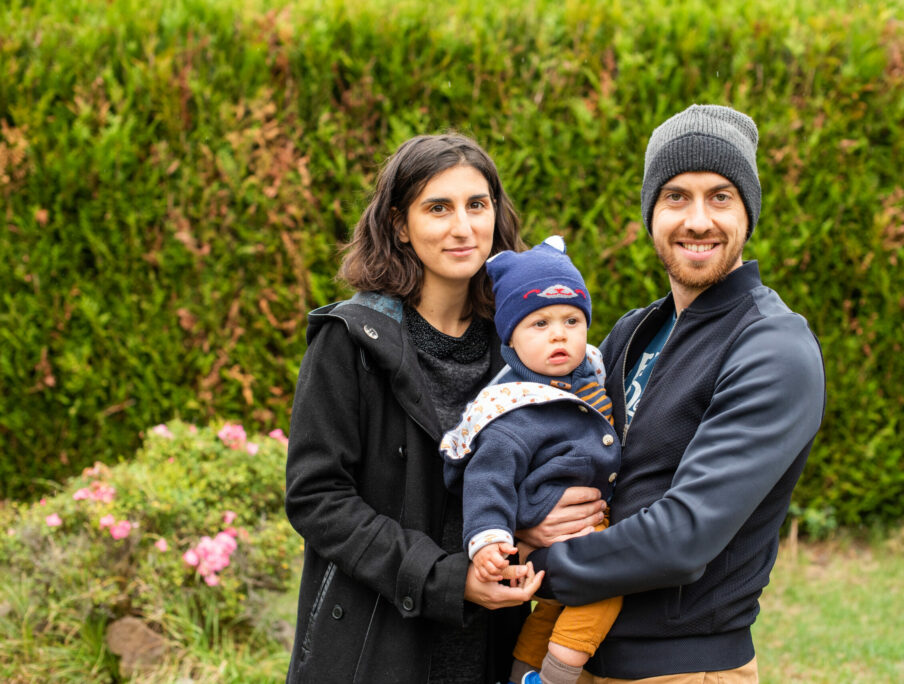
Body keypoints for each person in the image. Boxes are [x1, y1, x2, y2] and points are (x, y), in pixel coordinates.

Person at [521, 104, 827, 682]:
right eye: (676, 197)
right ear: (651, 213)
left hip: (682, 667)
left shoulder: (773, 348)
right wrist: (525, 519)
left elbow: (684, 538)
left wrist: (533, 564)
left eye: (720, 197)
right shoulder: (632, 332)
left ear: (748, 213)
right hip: (579, 651)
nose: (698, 220)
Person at [284, 134, 601, 683]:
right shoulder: (349, 342)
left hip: (491, 645)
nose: (463, 227)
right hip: (373, 648)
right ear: (399, 225)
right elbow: (317, 499)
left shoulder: (523, 349)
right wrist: (444, 577)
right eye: (438, 208)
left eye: (477, 205)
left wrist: (533, 524)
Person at [440, 237, 622, 684]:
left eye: (572, 320)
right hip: (561, 531)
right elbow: (488, 481)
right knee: (608, 588)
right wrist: (487, 541)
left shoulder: (590, 376)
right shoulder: (510, 411)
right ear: (511, 340)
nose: (559, 333)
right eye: (538, 323)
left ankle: (523, 672)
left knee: (554, 607)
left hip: (583, 526)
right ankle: (560, 675)